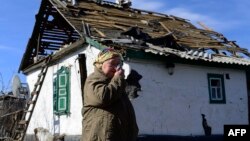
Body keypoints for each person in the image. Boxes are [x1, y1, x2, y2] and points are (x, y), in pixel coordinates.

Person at [82, 48, 138, 141]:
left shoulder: (116, 84)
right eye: (112, 64)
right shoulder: (93, 80)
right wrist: (118, 79)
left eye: (119, 64)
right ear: (100, 65)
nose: (117, 68)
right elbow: (103, 97)